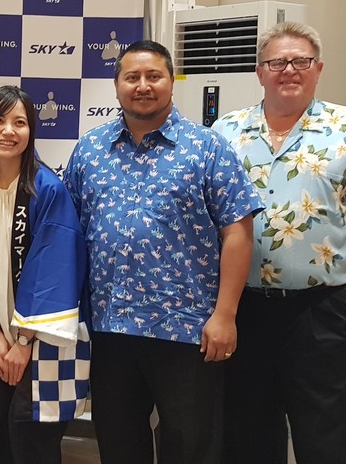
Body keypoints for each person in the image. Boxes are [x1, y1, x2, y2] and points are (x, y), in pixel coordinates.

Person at [211, 21, 346, 463]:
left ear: (319, 69)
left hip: (326, 312)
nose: (289, 70)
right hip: (245, 311)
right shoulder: (226, 132)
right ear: (259, 72)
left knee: (333, 440)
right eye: (277, 62)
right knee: (247, 436)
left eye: (301, 61)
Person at [63, 40, 263, 464]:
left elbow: (239, 234)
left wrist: (225, 315)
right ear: (116, 85)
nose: (142, 86)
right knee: (119, 445)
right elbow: (69, 234)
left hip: (189, 331)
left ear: (172, 83)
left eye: (153, 76)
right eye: (131, 77)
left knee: (191, 448)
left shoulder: (207, 148)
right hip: (111, 328)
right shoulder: (89, 150)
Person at [0, 86, 90, 464]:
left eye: (20, 122)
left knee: (32, 441)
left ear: (32, 131)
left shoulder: (47, 189)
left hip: (40, 340)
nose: (8, 131)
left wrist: (22, 340)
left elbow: (54, 266)